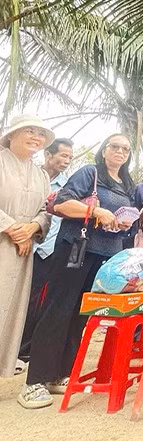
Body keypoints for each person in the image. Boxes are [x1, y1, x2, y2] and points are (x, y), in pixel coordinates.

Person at [22, 133, 135, 409]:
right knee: (58, 311)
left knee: (79, 315)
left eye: (126, 149)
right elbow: (61, 203)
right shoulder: (90, 173)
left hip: (104, 258)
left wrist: (122, 223)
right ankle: (34, 381)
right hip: (76, 250)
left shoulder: (127, 184)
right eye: (115, 146)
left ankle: (59, 374)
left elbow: (119, 217)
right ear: (104, 150)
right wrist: (95, 212)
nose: (120, 152)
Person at [0, 116, 53, 382]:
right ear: (12, 134)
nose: (36, 137)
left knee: (12, 310)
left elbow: (46, 210)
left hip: (22, 253)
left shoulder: (41, 175)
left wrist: (32, 228)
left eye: (40, 133)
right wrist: (11, 228)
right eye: (29, 131)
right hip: (3, 242)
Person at [18, 137, 73, 366]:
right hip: (20, 243)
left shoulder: (68, 186)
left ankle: (25, 349)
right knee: (16, 296)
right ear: (48, 155)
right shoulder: (29, 177)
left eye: (70, 157)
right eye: (63, 155)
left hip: (49, 250)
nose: (67, 161)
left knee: (38, 299)